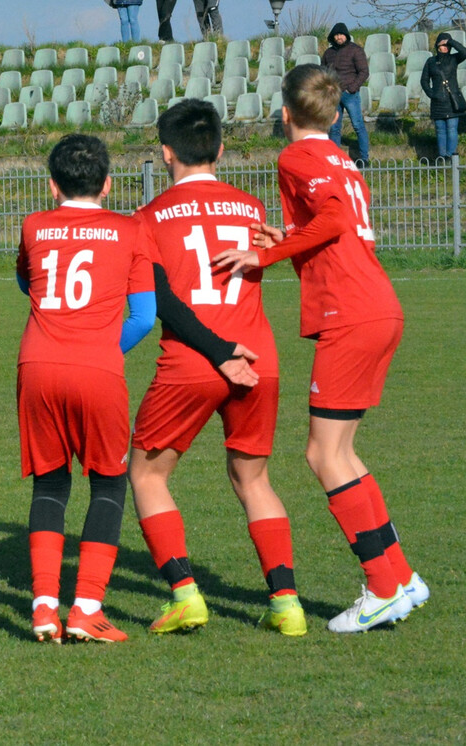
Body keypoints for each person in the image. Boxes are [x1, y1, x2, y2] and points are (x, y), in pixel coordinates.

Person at [213, 65, 428, 634]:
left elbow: (332, 220)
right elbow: (342, 223)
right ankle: (401, 577)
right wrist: (287, 238)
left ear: (285, 112)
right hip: (378, 303)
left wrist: (266, 256)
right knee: (344, 453)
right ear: (335, 115)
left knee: (322, 456)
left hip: (350, 312)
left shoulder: (295, 157)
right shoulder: (341, 158)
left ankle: (382, 588)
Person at [130, 99, 306, 637]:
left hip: (194, 360)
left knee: (146, 472)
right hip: (259, 359)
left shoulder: (149, 218)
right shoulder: (251, 208)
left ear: (165, 153)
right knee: (253, 479)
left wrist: (214, 351)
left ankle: (186, 595)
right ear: (221, 150)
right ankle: (288, 606)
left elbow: (159, 300)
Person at [15, 133, 155, 643]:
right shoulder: (131, 229)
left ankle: (44, 609)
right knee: (109, 482)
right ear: (109, 183)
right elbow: (144, 317)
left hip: (38, 364)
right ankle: (87, 609)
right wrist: (100, 349)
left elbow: (28, 283)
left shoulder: (34, 225)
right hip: (97, 368)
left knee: (50, 484)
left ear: (53, 186)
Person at [322, 23, 370, 164]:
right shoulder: (328, 53)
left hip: (350, 94)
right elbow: (322, 73)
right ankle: (334, 160)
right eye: (336, 35)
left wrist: (352, 88)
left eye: (341, 34)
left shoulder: (355, 50)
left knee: (358, 125)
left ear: (346, 35)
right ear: (333, 37)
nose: (339, 37)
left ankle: (364, 158)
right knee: (334, 128)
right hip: (333, 95)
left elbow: (364, 72)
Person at [420, 32, 466, 159]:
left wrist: (450, 41)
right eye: (443, 44)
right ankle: (442, 157)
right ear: (437, 45)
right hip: (438, 102)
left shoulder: (454, 59)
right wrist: (432, 94)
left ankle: (451, 156)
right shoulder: (430, 61)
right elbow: (424, 80)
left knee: (452, 129)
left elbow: (464, 51)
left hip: (452, 101)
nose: (445, 47)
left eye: (447, 45)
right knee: (440, 131)